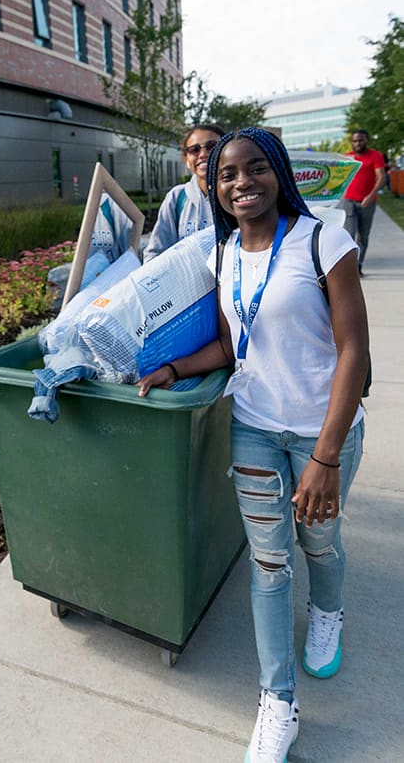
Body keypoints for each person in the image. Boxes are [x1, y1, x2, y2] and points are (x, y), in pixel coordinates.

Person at [137, 128, 369, 763]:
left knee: (318, 538)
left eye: (255, 168)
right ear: (212, 186)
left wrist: (323, 458)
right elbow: (229, 345)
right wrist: (177, 369)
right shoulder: (222, 254)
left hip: (327, 432)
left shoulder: (324, 239)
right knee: (269, 562)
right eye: (227, 174)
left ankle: (328, 613)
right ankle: (277, 702)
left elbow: (356, 353)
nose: (242, 182)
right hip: (255, 428)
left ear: (278, 173)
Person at [143, 124, 226, 261]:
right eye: (194, 150)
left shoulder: (236, 196)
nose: (203, 154)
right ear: (186, 159)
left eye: (212, 146)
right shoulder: (176, 198)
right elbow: (155, 254)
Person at [342, 128, 385, 274]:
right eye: (355, 141)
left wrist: (371, 195)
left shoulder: (375, 156)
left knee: (363, 236)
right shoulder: (347, 157)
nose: (357, 143)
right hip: (348, 201)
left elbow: (381, 177)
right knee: (348, 235)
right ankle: (349, 268)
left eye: (360, 140)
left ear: (366, 140)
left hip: (367, 202)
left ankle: (358, 266)